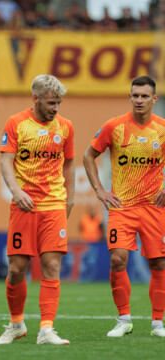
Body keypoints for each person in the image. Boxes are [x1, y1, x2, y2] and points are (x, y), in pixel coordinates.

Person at [0, 74, 75, 346]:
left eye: (59, 102)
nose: (56, 108)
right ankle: (17, 324)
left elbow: (69, 164)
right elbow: (6, 162)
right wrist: (17, 192)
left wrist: (70, 198)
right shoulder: (16, 123)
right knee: (17, 269)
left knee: (51, 265)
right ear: (36, 98)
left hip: (53, 204)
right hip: (24, 206)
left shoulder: (65, 127)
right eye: (52, 102)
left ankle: (46, 329)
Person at [83, 75, 165, 338]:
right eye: (135, 95)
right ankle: (124, 320)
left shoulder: (162, 129)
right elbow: (88, 155)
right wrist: (99, 191)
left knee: (159, 264)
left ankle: (158, 323)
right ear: (129, 97)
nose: (139, 100)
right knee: (118, 260)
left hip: (154, 208)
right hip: (122, 207)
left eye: (144, 96)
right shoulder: (114, 127)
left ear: (154, 99)